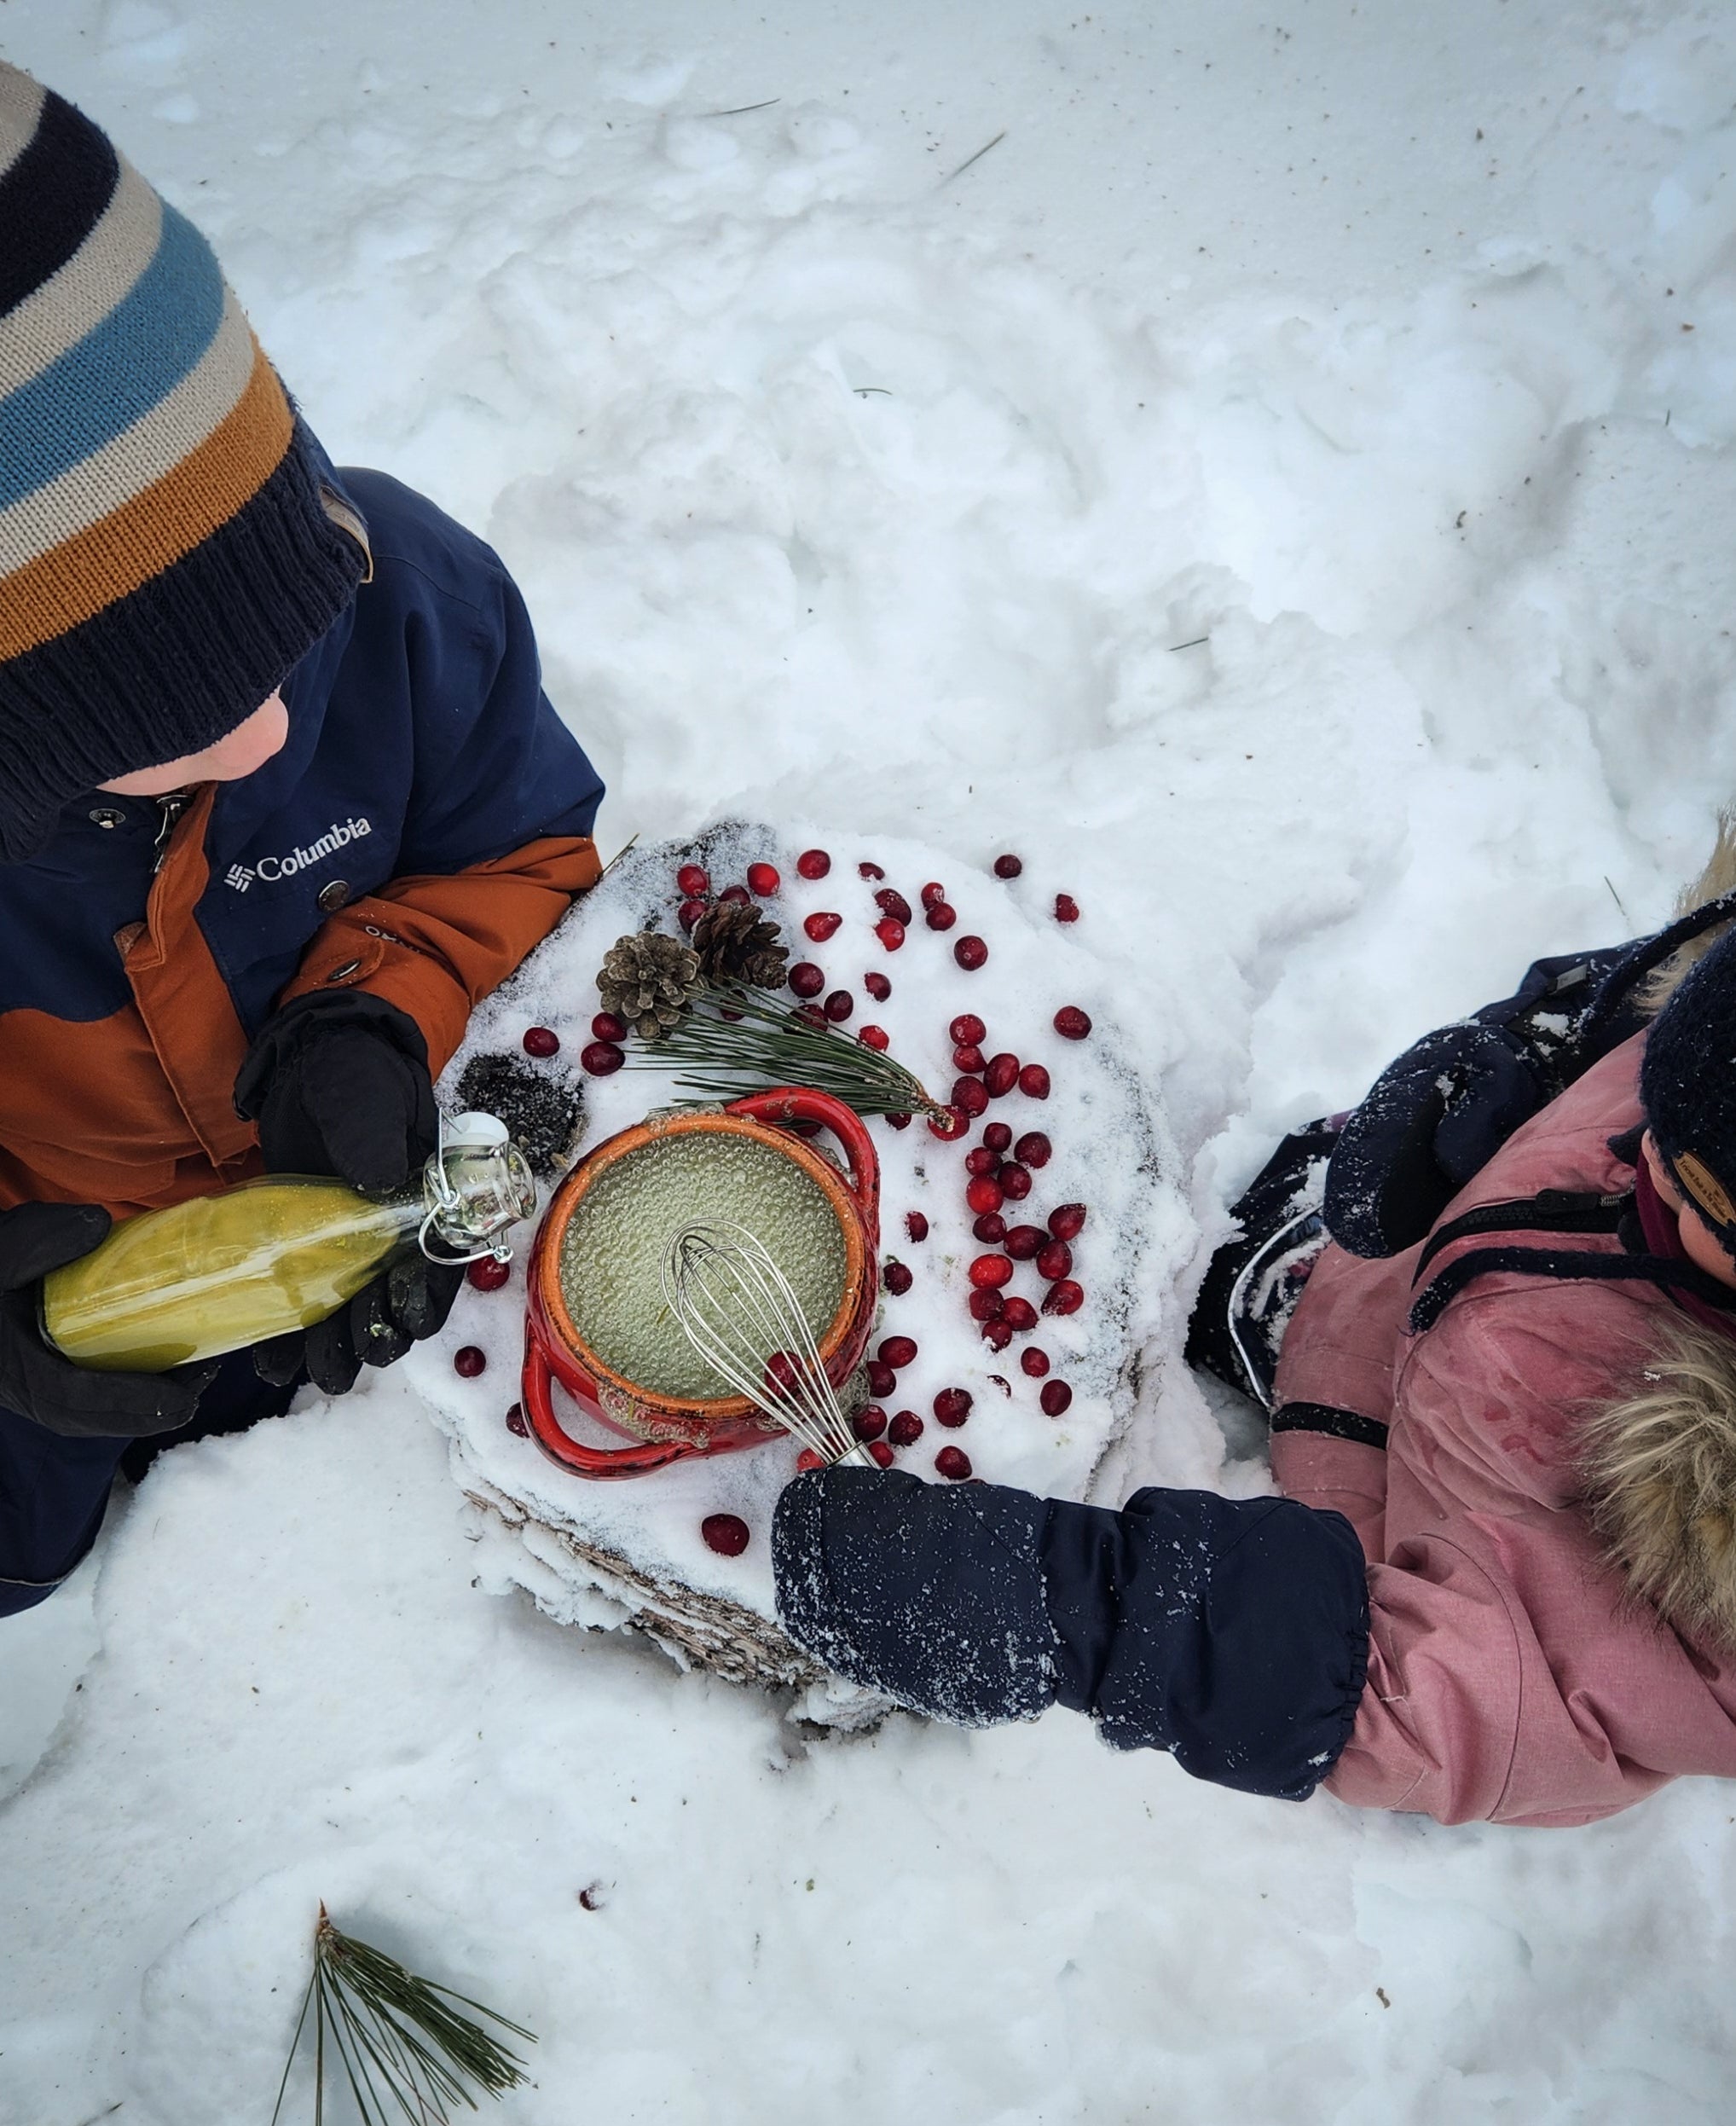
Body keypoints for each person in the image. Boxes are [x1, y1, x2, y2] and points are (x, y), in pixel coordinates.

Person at [770, 843, 1736, 1828]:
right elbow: (1637, 1003)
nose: (1647, 1147)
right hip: (1442, 1275)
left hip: (1440, 1541)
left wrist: (1082, 1611)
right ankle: (1320, 1300)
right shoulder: (1685, 1101)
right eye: (1654, 1105)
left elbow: (1458, 1701)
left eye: (1696, 1184)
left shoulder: (1701, 1607)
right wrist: (1532, 1056)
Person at [0, 61, 602, 1612]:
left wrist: (374, 1013)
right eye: (166, 724)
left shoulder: (398, 596)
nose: (274, 736)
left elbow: (517, 857)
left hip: (336, 1225)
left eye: (291, 617)